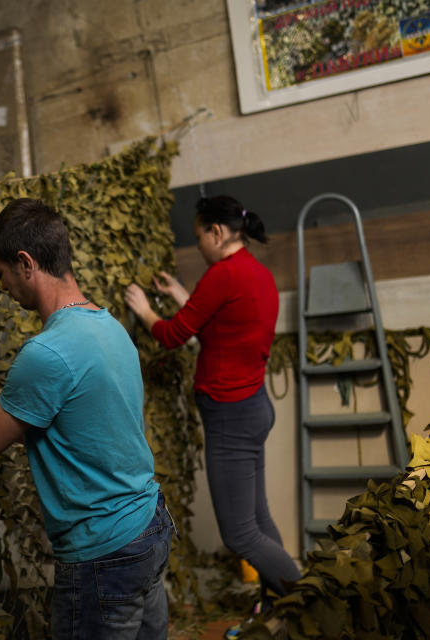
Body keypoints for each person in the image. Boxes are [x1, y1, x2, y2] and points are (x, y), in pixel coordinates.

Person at [0, 198, 174, 640]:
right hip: (149, 527)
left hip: (103, 552)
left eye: (1, 272)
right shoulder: (109, 327)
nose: (1, 285)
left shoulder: (46, 353)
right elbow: (88, 427)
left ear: (25, 263)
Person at [124, 195, 300, 637]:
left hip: (230, 419)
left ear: (216, 233)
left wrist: (144, 308)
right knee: (257, 519)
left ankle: (309, 601)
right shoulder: (256, 274)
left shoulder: (221, 276)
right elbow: (224, 327)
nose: (198, 243)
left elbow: (172, 335)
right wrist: (184, 296)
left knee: (240, 535)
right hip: (255, 408)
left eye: (199, 235)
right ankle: (281, 608)